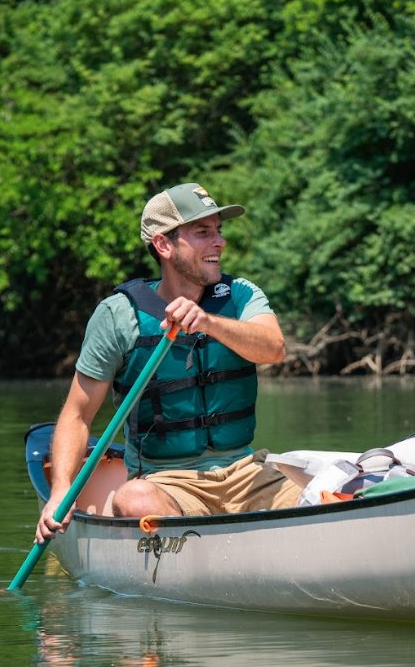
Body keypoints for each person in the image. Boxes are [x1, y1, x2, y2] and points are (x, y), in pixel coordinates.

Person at [35, 182, 295, 545]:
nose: (219, 242)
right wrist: (62, 490)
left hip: (247, 474)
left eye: (219, 231)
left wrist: (208, 322)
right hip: (167, 482)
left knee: (331, 490)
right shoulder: (118, 316)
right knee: (133, 498)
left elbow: (274, 348)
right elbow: (77, 415)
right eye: (202, 232)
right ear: (163, 245)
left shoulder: (241, 295)